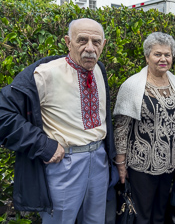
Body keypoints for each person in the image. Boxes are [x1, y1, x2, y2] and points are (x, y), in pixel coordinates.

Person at [0, 18, 116, 223]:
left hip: (99, 160)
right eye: (82, 40)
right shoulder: (45, 74)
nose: (90, 48)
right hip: (65, 164)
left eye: (96, 42)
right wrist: (42, 144)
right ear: (67, 42)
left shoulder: (99, 69)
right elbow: (3, 113)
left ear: (104, 44)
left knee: (96, 220)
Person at [112, 32, 175, 223]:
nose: (163, 58)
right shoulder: (133, 86)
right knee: (142, 216)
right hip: (142, 165)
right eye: (157, 54)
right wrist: (121, 164)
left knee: (160, 214)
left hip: (169, 164)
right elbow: (121, 127)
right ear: (147, 57)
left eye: (167, 54)